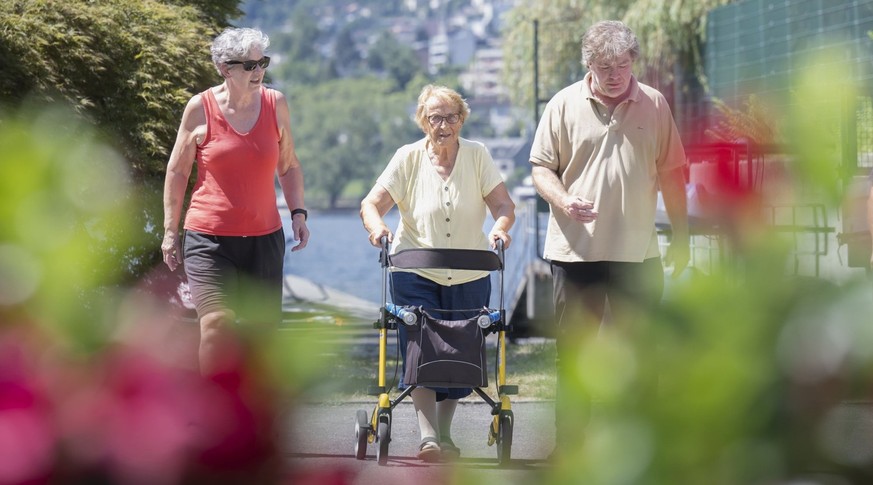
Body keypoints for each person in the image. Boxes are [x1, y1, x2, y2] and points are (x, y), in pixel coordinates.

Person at [529, 20, 689, 448]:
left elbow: (673, 175)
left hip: (638, 255)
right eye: (604, 66)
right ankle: (572, 448)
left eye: (622, 64)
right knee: (575, 355)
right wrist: (564, 201)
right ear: (589, 65)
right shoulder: (562, 104)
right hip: (574, 253)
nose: (615, 74)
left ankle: (639, 447)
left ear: (633, 61)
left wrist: (682, 237)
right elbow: (541, 169)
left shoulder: (655, 104)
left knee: (641, 353)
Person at [360, 85, 515, 462]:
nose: (443, 125)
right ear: (422, 121)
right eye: (434, 118)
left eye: (451, 117)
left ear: (462, 119)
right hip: (415, 270)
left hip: (470, 272)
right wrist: (377, 228)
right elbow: (371, 204)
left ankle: (445, 433)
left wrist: (500, 229)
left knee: (460, 350)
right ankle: (429, 437)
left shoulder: (477, 155)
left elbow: (503, 205)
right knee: (422, 349)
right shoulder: (408, 157)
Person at [161, 27, 310, 376]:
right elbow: (178, 171)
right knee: (216, 325)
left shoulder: (276, 104)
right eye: (249, 65)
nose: (259, 71)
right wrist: (169, 231)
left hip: (264, 238)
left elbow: (288, 165)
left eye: (263, 62)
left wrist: (298, 213)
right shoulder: (200, 108)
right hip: (208, 239)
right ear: (224, 68)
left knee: (262, 335)